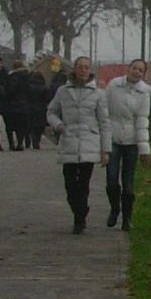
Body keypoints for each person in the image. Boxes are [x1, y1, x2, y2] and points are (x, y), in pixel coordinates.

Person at [46, 57, 111, 233]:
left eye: (86, 68)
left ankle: (79, 219)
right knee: (69, 183)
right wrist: (59, 126)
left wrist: (106, 150)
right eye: (80, 67)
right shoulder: (63, 91)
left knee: (83, 183)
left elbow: (104, 122)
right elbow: (51, 112)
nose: (83, 70)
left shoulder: (98, 94)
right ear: (74, 69)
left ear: (90, 70)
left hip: (89, 142)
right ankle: (79, 209)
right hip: (69, 141)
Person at [103, 58, 151, 230]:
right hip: (113, 139)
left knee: (128, 184)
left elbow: (142, 121)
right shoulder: (113, 86)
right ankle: (114, 208)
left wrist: (144, 150)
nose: (136, 72)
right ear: (128, 69)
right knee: (111, 180)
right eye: (134, 68)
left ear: (143, 74)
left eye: (140, 70)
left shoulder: (144, 93)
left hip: (131, 141)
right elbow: (104, 111)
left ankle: (127, 218)